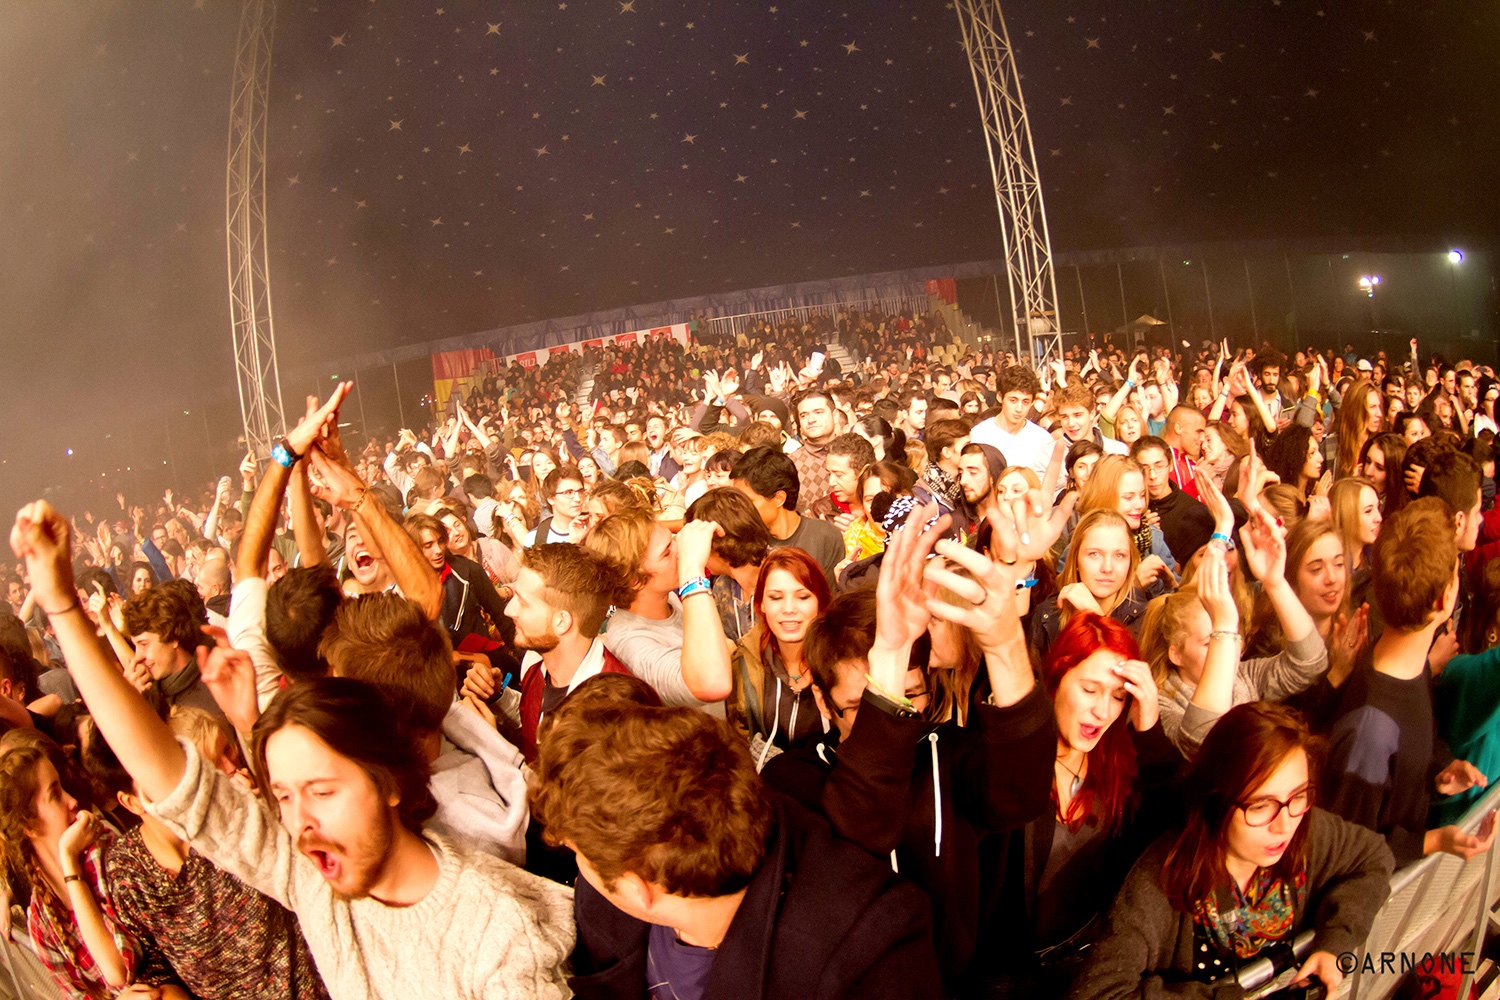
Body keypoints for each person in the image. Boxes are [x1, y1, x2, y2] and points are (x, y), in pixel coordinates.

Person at [13, 498, 577, 999]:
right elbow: (171, 780)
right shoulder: (317, 880)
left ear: (387, 780)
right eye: (281, 795)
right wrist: (61, 607)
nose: (299, 821)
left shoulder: (496, 932)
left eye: (321, 790)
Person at [529, 673, 945, 1000]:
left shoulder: (871, 952)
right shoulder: (610, 909)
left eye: (579, 855)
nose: (580, 871)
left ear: (638, 890)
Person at [1069, 702, 1394, 999]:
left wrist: (1335, 941)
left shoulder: (1304, 828)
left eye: (1298, 796)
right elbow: (1096, 993)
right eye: (1260, 805)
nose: (1283, 825)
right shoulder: (1160, 882)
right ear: (1216, 801)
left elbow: (1373, 857)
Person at [83, 719, 331, 1000]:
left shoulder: (221, 815)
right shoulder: (128, 869)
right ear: (131, 802)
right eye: (152, 775)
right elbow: (155, 971)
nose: (171, 776)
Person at [1323, 498, 1497, 867]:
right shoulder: (1370, 728)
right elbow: (1344, 851)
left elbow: (1413, 752)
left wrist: (1440, 769)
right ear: (1443, 598)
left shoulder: (1410, 667)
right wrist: (1431, 841)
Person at [1141, 509, 1328, 755]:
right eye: (1212, 641)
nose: (1232, 649)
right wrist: (1225, 626)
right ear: (1176, 654)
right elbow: (1203, 738)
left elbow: (1310, 663)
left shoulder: (1244, 678)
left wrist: (1275, 582)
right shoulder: (1162, 705)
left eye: (1233, 637)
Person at [0, 736, 156, 1000]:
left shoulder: (105, 851)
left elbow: (119, 969)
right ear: (29, 826)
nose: (72, 801)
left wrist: (69, 862)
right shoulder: (41, 920)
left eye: (63, 787)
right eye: (55, 794)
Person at [460, 544, 632, 763]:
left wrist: (489, 743)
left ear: (561, 622)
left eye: (523, 602)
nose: (508, 610)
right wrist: (498, 697)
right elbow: (535, 726)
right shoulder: (535, 664)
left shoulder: (612, 711)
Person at [584, 507, 733, 715]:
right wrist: (692, 572)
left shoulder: (666, 598)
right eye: (666, 553)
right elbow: (713, 684)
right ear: (635, 580)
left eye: (673, 540)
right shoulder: (630, 643)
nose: (680, 551)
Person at [728, 547, 831, 768]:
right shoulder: (746, 660)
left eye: (803, 597)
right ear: (762, 604)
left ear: (820, 603)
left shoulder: (840, 662)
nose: (788, 609)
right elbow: (738, 734)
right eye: (776, 597)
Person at [1031, 510, 1148, 658]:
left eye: (1119, 556)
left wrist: (1095, 618)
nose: (1107, 568)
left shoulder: (1147, 617)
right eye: (1094, 554)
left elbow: (1123, 676)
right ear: (1076, 560)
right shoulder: (1046, 615)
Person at [731, 446, 844, 587]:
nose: (739, 509)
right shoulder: (743, 542)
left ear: (779, 498)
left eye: (747, 501)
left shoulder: (825, 537)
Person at [122, 580, 226, 721]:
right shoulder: (148, 691)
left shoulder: (216, 690)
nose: (138, 656)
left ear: (173, 638)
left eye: (144, 644)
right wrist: (132, 704)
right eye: (135, 646)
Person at [969, 364, 1055, 478]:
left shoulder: (1043, 439)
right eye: (1013, 400)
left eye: (1025, 402)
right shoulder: (979, 434)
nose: (1019, 409)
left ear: (1033, 402)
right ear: (1000, 397)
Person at [526, 466, 587, 546]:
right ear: (551, 498)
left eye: (580, 491)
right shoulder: (535, 538)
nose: (577, 498)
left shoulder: (593, 530)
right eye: (569, 493)